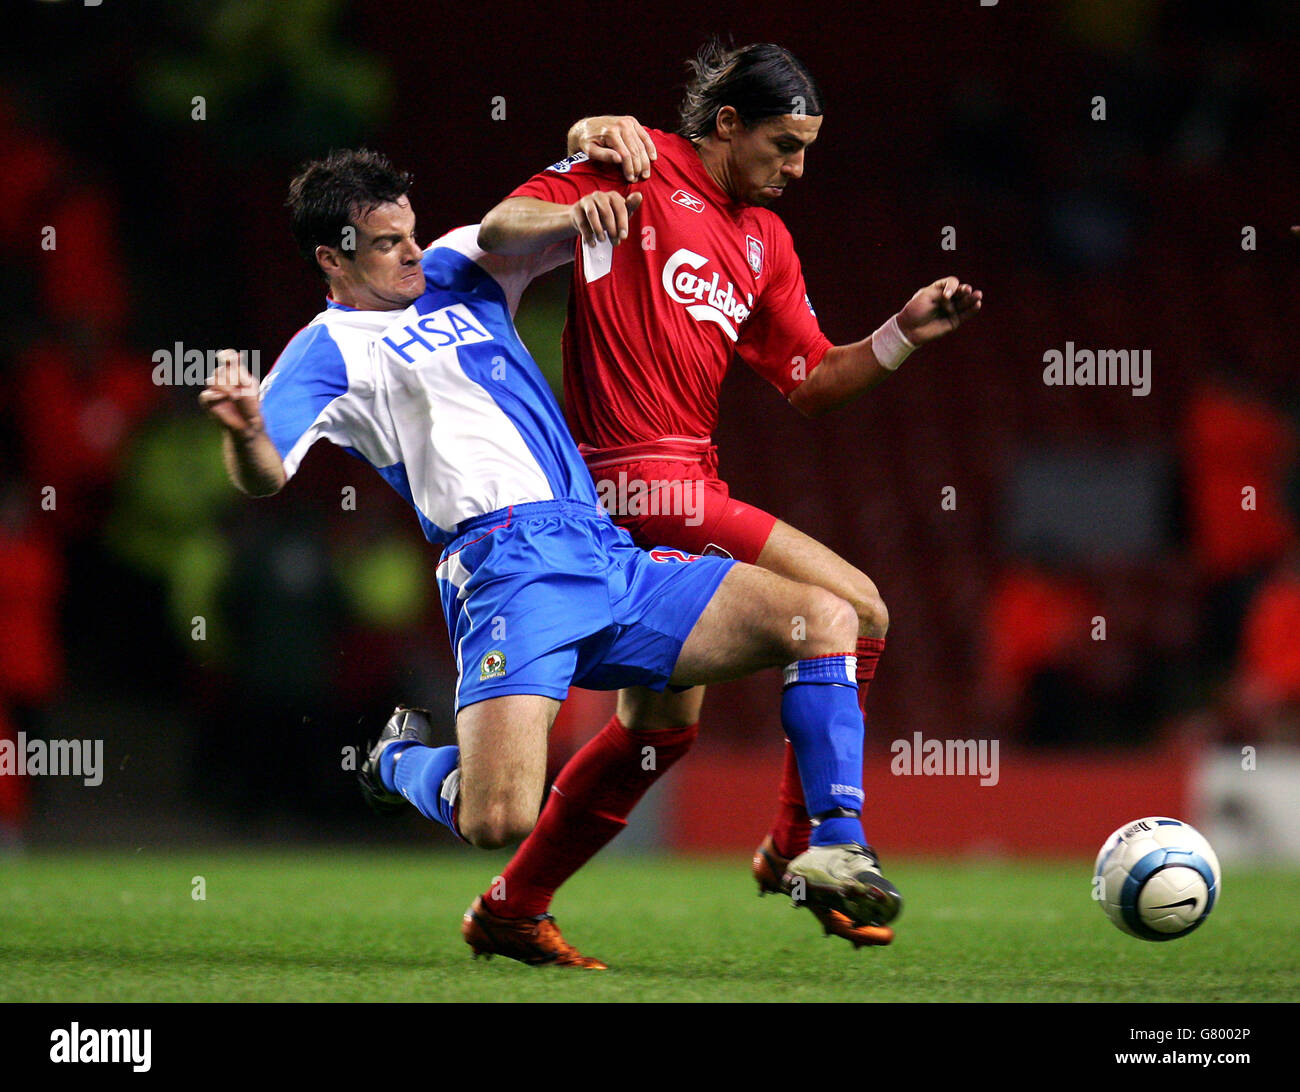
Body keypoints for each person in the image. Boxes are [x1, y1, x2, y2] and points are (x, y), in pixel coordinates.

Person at [199, 146, 900, 969]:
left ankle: (836, 847)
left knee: (824, 615)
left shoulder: (456, 267)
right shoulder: (327, 351)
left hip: (602, 549)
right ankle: (396, 761)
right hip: (505, 572)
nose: (414, 251)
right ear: (333, 258)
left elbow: (525, 221)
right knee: (497, 819)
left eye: (412, 232)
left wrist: (582, 174)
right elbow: (266, 476)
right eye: (388, 242)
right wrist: (246, 432)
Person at [475, 40, 982, 948]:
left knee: (658, 732)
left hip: (689, 481)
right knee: (857, 606)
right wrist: (575, 192)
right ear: (725, 124)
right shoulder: (633, 162)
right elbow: (499, 228)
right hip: (623, 475)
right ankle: (805, 843)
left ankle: (512, 909)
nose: (797, 167)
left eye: (807, 150)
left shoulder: (765, 240)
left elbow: (813, 380)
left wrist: (903, 332)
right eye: (784, 145)